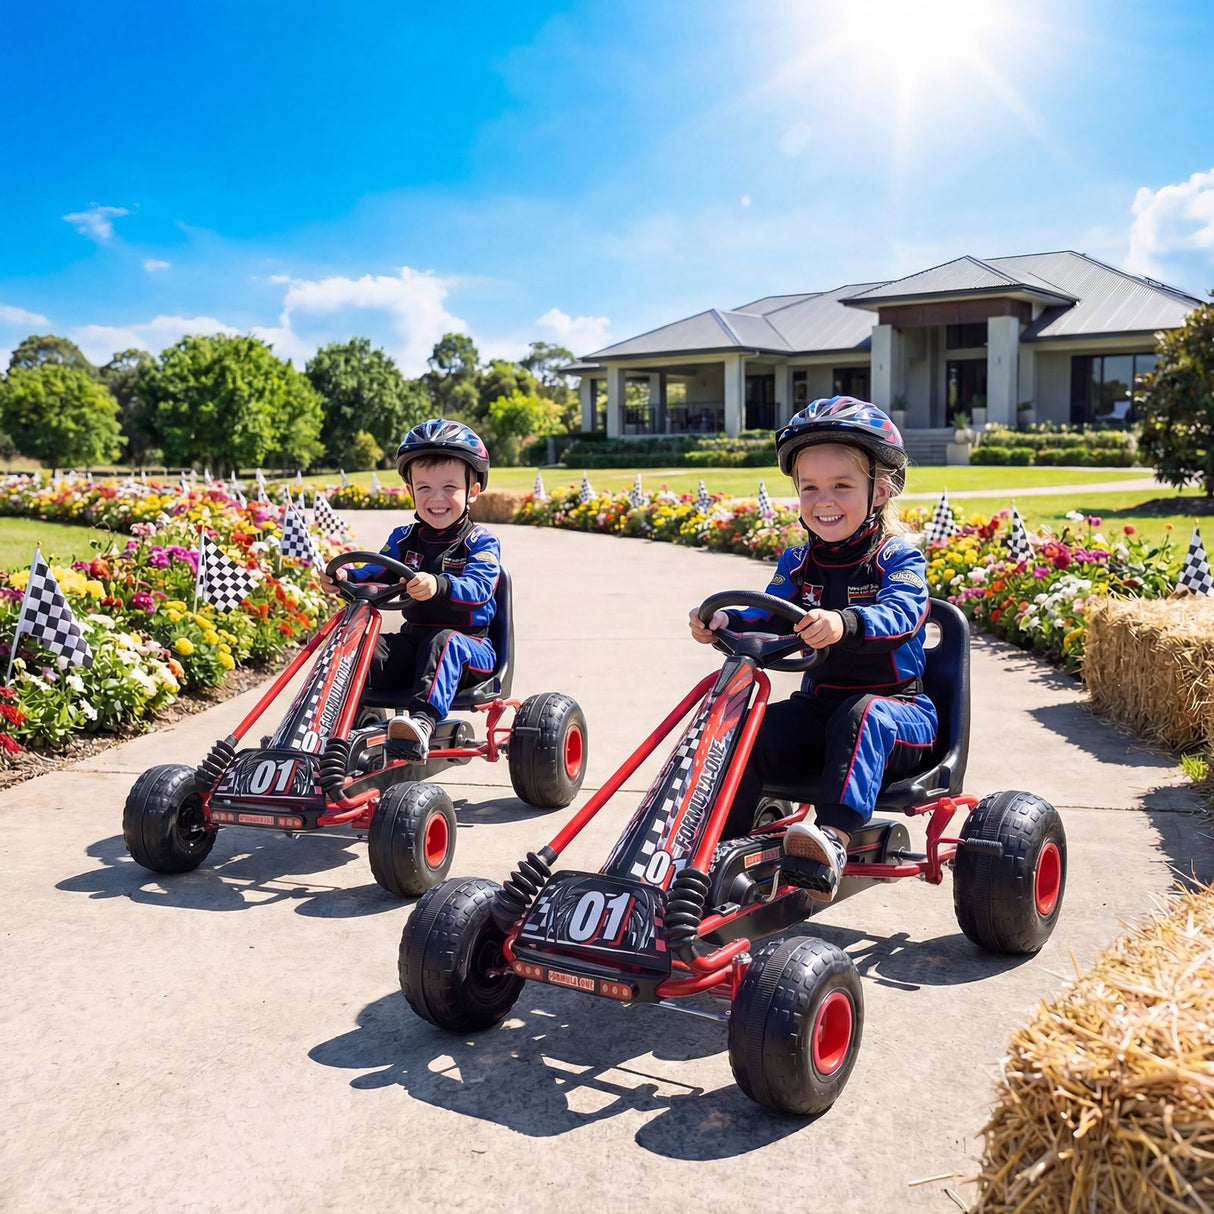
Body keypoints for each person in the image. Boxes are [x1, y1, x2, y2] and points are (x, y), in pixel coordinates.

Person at [688, 396, 937, 903]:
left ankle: (832, 841)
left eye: (842, 486)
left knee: (862, 715)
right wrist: (724, 620)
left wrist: (844, 622)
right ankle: (719, 850)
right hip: (820, 711)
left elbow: (902, 614)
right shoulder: (798, 561)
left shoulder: (898, 559)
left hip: (900, 715)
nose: (824, 500)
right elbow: (769, 612)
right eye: (810, 488)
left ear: (880, 490)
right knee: (748, 728)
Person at [320, 418, 500, 761]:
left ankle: (421, 724)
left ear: (473, 490)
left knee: (443, 641)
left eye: (449, 487)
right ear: (410, 491)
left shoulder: (480, 541)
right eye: (424, 488)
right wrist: (343, 577)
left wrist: (438, 584)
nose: (436, 498)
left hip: (471, 651)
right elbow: (376, 573)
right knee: (360, 644)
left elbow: (480, 587)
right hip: (414, 646)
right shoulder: (403, 539)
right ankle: (328, 727)